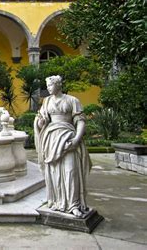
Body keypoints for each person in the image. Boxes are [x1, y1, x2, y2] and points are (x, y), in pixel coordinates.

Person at [34, 75, 91, 217]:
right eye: (46, 86)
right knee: (54, 173)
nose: (48, 88)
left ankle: (73, 204)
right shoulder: (46, 101)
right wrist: (40, 123)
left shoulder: (72, 100)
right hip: (51, 139)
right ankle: (56, 201)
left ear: (58, 85)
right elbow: (42, 121)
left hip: (68, 138)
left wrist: (77, 139)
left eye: (50, 85)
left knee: (70, 172)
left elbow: (80, 121)